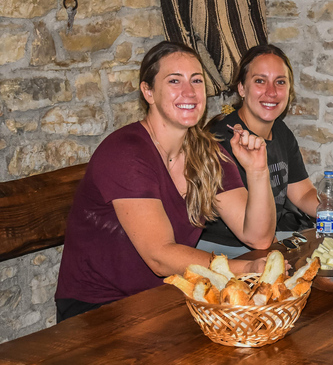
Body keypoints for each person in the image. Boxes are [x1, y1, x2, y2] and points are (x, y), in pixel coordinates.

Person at [54, 41, 276, 322]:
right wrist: (243, 270)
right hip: (98, 311)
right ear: (148, 92)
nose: (190, 92)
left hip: (162, 301)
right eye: (174, 81)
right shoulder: (126, 152)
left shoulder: (206, 153)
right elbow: (159, 257)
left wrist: (257, 171)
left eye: (197, 80)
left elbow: (258, 236)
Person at [198, 44, 333, 257]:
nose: (271, 92)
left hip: (267, 239)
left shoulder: (280, 131)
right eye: (260, 81)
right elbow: (253, 236)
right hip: (226, 251)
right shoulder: (219, 141)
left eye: (280, 82)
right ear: (241, 88)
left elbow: (303, 193)